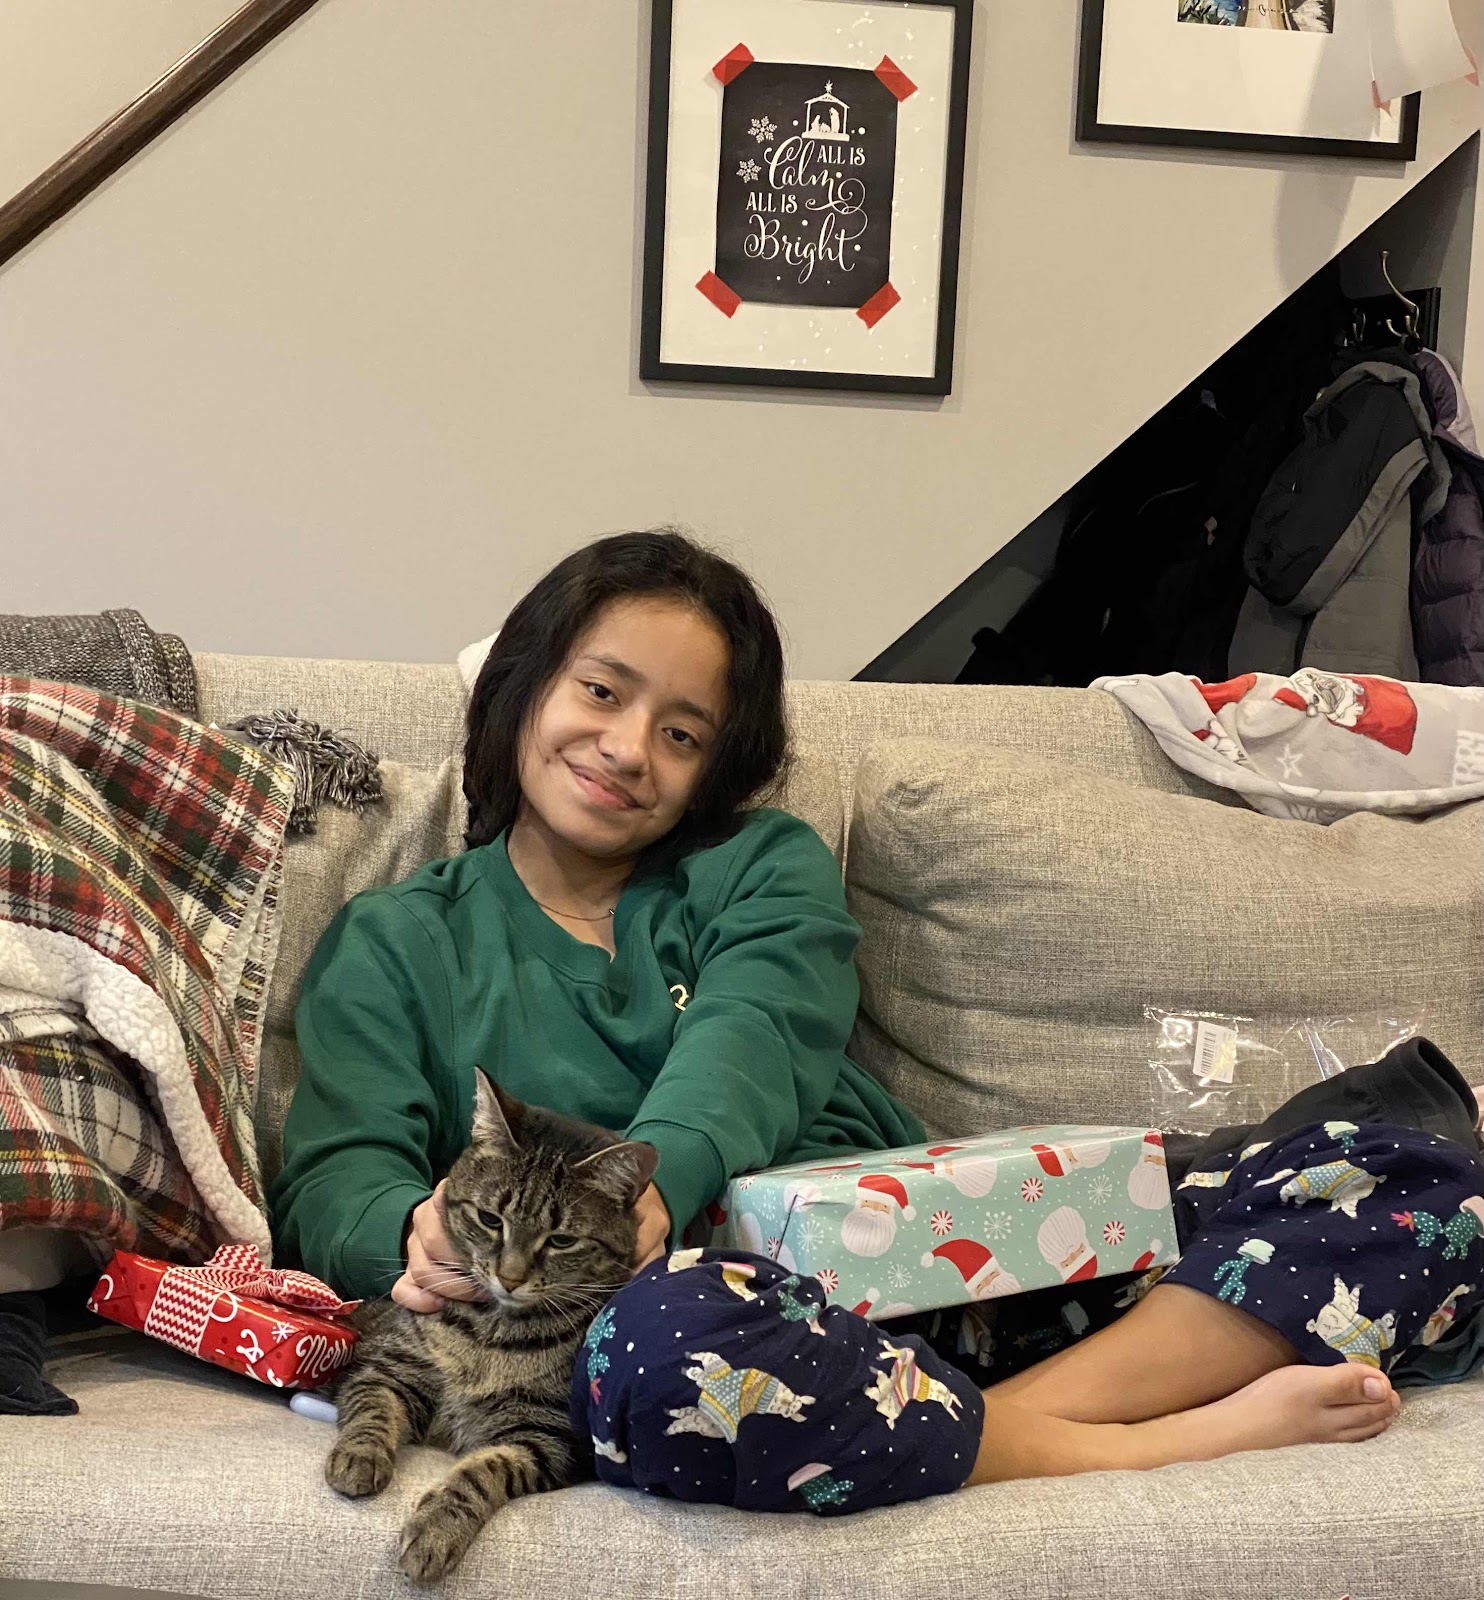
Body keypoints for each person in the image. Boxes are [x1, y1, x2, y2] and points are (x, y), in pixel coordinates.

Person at [272, 529, 1483, 1508]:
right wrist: (411, 1233)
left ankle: (999, 1417)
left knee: (1414, 1173)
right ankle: (1127, 1440)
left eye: (681, 733)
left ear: (717, 765)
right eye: (600, 690)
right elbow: (333, 1179)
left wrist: (661, 1175)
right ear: (526, 683)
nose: (628, 748)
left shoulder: (761, 864)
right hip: (694, 1326)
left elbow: (757, 1032)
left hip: (943, 1273)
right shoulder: (397, 940)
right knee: (677, 1354)